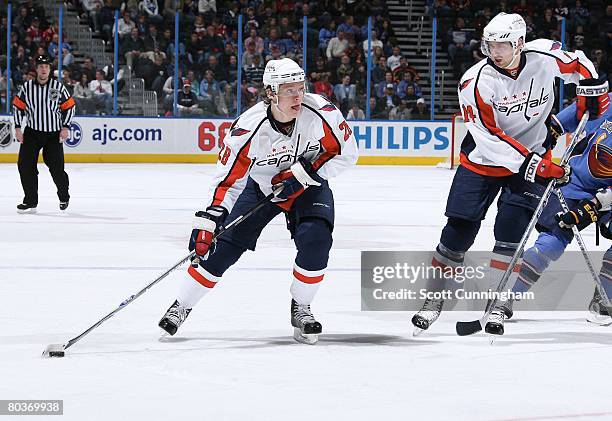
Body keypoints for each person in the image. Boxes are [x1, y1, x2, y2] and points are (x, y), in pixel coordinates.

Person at [410, 12, 606, 332]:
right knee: (458, 231)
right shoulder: (474, 82)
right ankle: (434, 298)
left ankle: (498, 300)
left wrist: (593, 89)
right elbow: (489, 138)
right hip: (484, 162)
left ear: (519, 42)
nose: (494, 52)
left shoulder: (543, 55)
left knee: (511, 233)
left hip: (529, 163)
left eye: (502, 45)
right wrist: (537, 164)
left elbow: (579, 64)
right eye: (490, 45)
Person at [158, 58, 359, 344]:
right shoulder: (249, 127)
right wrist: (209, 221)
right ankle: (182, 304)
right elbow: (228, 180)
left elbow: (346, 153)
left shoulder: (321, 111)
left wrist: (302, 174)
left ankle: (301, 307)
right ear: (271, 93)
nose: (297, 96)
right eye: (288, 89)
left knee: (317, 240)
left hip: (308, 186)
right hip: (262, 188)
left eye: (300, 88)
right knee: (221, 250)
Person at [487, 93, 612, 334]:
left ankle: (604, 298)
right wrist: (552, 128)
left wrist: (596, 206)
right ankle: (506, 299)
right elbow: (573, 115)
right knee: (550, 245)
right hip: (573, 184)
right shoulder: (608, 101)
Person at [12, 55, 76, 213]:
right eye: (40, 66)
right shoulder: (27, 87)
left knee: (57, 169)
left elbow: (70, 107)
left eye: (46, 66)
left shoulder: (58, 87)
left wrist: (66, 126)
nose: (43, 69)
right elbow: (17, 107)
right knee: (25, 166)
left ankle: (64, 195)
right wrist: (18, 128)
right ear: (36, 68)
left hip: (53, 135)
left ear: (50, 69)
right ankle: (30, 201)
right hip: (32, 133)